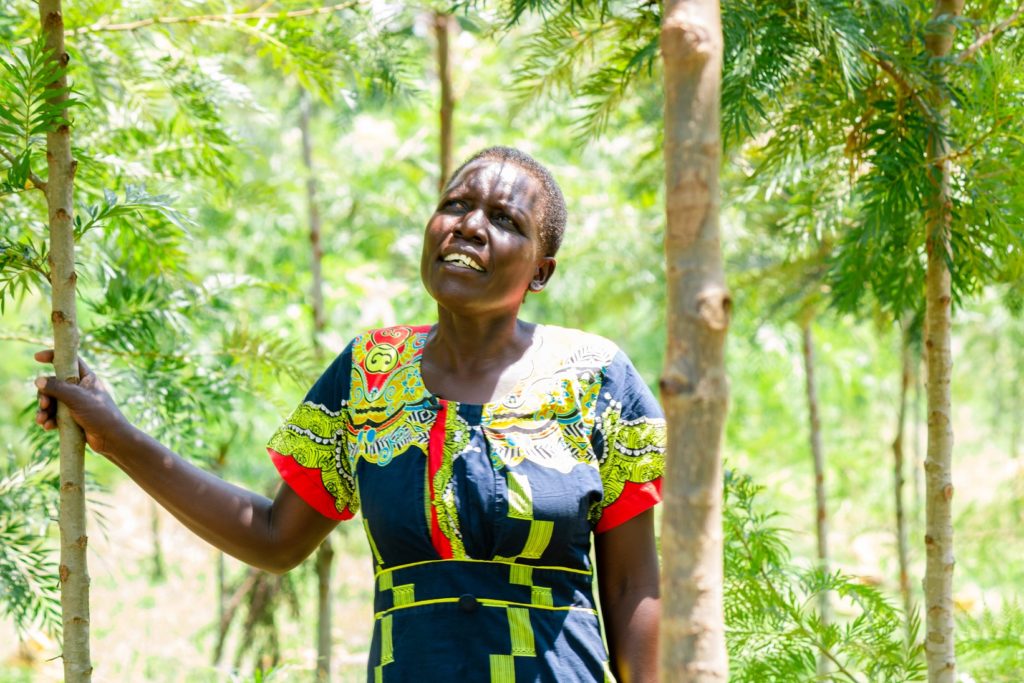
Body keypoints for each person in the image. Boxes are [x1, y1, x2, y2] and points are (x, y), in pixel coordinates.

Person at [34, 146, 665, 682]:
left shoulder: (597, 377)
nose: (469, 225)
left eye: (503, 219)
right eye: (454, 205)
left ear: (541, 271)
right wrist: (114, 434)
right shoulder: (370, 372)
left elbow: (633, 583)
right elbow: (273, 537)